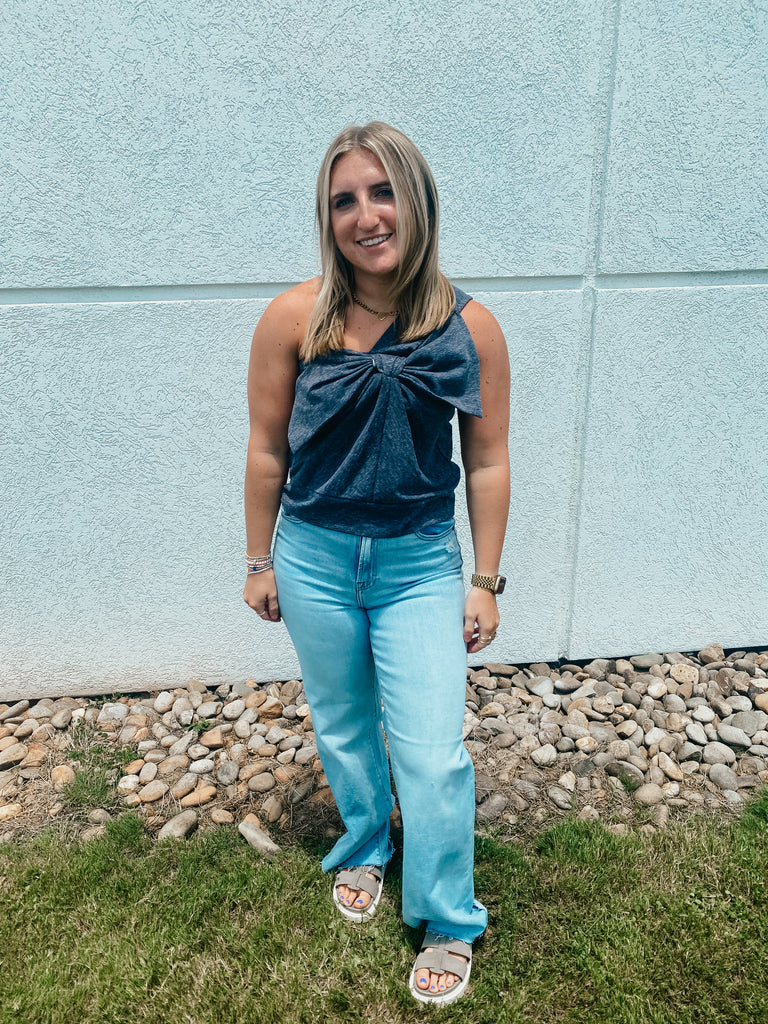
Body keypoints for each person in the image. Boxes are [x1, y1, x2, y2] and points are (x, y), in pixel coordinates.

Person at [243, 121, 510, 1005]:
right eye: (345, 201)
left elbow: (488, 461)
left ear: (418, 199)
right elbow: (267, 450)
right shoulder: (293, 317)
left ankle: (448, 917)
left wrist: (485, 581)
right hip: (313, 557)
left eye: (384, 191)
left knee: (432, 753)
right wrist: (259, 560)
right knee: (345, 721)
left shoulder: (471, 328)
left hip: (418, 566)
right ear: (329, 220)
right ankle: (366, 843)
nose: (367, 216)